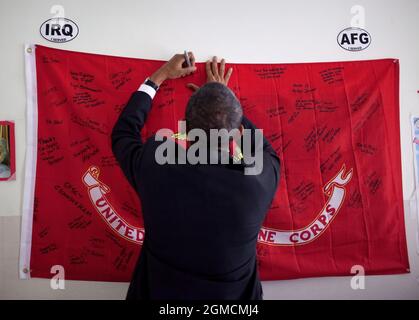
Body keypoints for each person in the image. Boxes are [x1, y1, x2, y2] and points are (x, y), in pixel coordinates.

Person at [111, 53, 280, 300]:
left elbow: (124, 134)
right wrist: (222, 102)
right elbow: (266, 151)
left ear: (184, 130)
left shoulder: (155, 166)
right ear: (240, 132)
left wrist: (160, 76)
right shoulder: (259, 181)